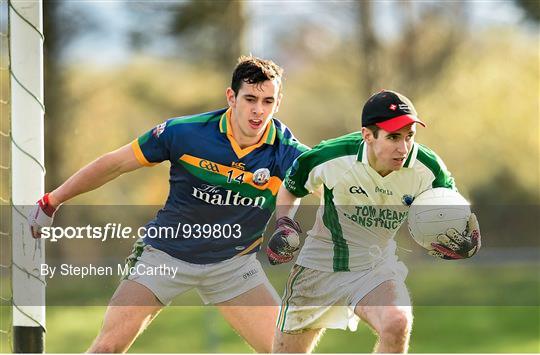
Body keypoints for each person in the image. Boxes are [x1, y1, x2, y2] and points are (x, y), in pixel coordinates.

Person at [27, 55, 308, 353]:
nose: (258, 110)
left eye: (268, 101)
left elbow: (330, 179)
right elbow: (115, 164)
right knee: (106, 348)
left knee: (287, 351)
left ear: (278, 103)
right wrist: (52, 200)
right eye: (250, 98)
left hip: (234, 264)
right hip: (166, 255)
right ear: (231, 97)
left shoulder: (287, 150)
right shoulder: (184, 133)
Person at [266, 90, 481, 353]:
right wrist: (284, 223)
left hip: (374, 265)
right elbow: (291, 188)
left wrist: (463, 239)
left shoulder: (429, 168)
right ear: (367, 135)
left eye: (409, 136)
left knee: (397, 322)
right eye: (393, 137)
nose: (403, 148)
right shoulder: (330, 157)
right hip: (318, 267)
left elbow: (450, 208)